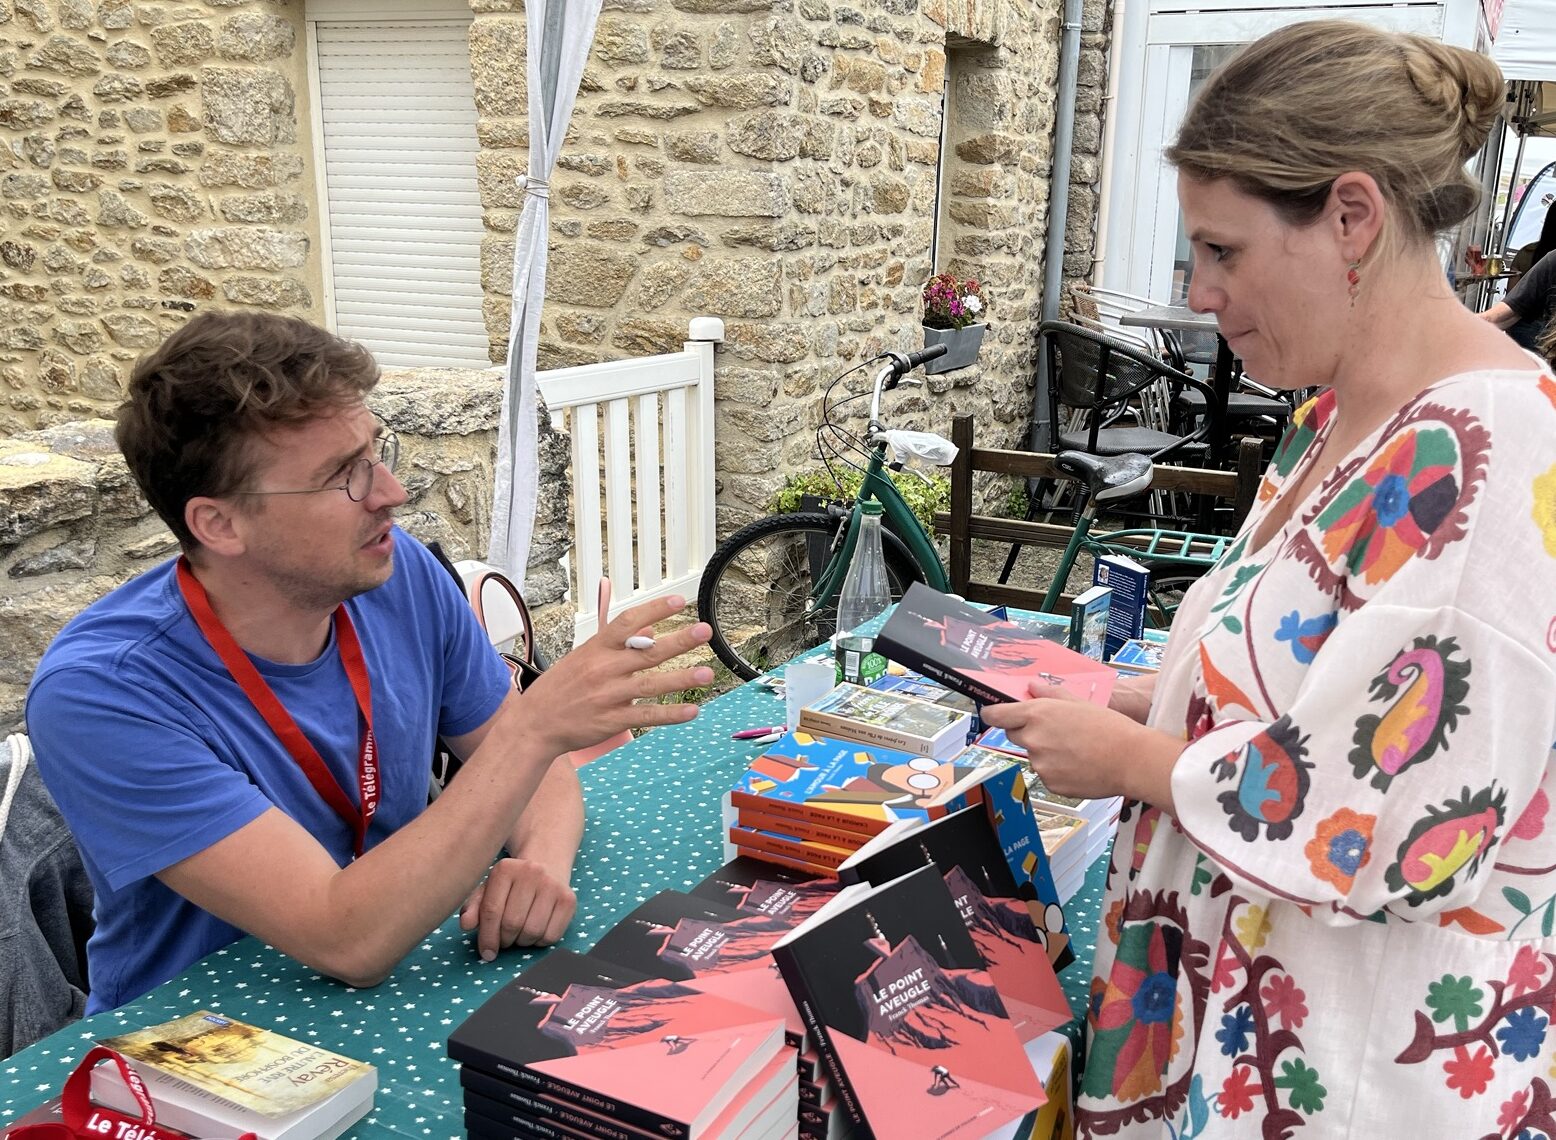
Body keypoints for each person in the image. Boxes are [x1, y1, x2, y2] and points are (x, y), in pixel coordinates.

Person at [982, 21, 1556, 1137]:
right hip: (1249, 1027)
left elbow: (1404, 829)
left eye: (1223, 252)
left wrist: (1137, 761)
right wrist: (1156, 702)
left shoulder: (1490, 453)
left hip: (1353, 1071)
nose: (1197, 293)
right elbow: (1316, 690)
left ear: (1350, 217)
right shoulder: (1333, 419)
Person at [25, 311, 714, 1013]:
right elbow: (344, 938)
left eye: (376, 453)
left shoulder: (393, 571)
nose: (390, 493)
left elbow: (536, 778)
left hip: (400, 974)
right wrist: (536, 729)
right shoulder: (103, 692)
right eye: (343, 476)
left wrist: (537, 864)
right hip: (190, 1048)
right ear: (219, 524)